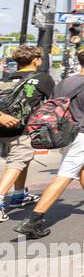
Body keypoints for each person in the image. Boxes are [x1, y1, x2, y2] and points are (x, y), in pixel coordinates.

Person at [15, 48, 84, 239]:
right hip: (80, 133)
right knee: (66, 174)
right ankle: (34, 220)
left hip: (62, 132)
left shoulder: (64, 82)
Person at [0, 46, 55, 220]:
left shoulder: (8, 78)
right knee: (17, 162)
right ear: (35, 60)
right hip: (23, 128)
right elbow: (54, 103)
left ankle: (19, 195)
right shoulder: (44, 79)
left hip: (3, 125)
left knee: (23, 158)